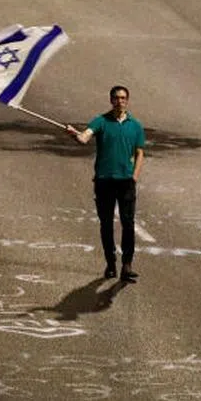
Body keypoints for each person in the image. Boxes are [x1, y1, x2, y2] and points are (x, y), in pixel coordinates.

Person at [65, 85, 146, 282]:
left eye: (123, 98)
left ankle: (127, 264)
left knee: (128, 223)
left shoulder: (135, 126)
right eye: (116, 98)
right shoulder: (101, 121)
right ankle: (110, 262)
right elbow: (85, 138)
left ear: (127, 100)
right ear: (111, 100)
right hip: (104, 181)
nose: (120, 101)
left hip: (126, 181)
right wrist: (75, 134)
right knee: (106, 224)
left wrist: (134, 176)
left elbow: (140, 153)